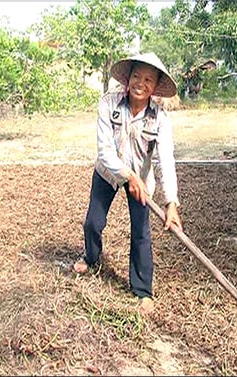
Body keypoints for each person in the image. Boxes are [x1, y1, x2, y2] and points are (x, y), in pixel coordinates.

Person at [73, 52, 183, 315]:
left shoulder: (160, 119)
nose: (140, 83)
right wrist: (128, 176)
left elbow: (164, 160)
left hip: (141, 180)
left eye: (148, 79)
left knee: (141, 232)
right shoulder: (109, 103)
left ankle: (143, 290)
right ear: (128, 78)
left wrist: (171, 203)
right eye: (136, 76)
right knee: (93, 222)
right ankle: (91, 257)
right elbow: (104, 150)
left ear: (155, 87)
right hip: (109, 172)